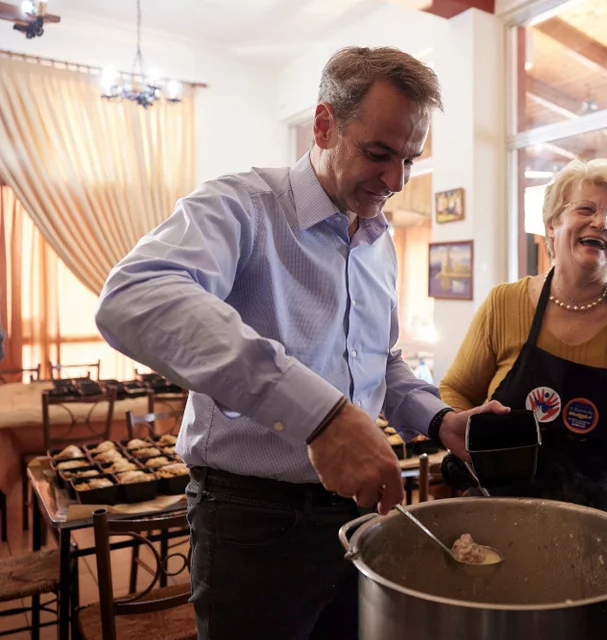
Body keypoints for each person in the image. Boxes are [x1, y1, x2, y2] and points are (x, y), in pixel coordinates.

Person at [96, 46, 504, 640]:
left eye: (411, 160)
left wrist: (441, 420)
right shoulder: (240, 207)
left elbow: (382, 365)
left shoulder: (379, 244)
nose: (397, 182)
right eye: (379, 154)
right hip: (252, 521)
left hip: (359, 516)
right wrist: (320, 416)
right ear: (323, 123)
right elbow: (133, 296)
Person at [439, 158, 607, 565]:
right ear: (551, 226)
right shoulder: (504, 305)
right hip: (502, 526)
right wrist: (466, 446)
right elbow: (457, 391)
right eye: (586, 209)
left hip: (606, 536)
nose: (602, 222)